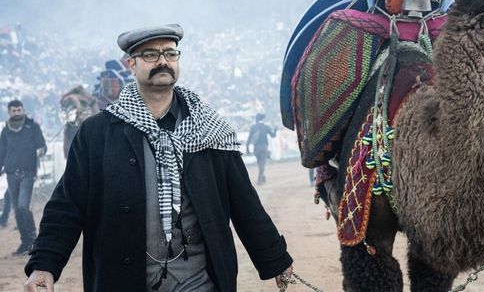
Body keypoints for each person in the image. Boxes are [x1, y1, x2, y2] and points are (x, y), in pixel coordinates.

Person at [24, 24, 293, 292]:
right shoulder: (98, 133)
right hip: (122, 279)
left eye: (170, 53)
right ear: (132, 64)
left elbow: (243, 200)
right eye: (151, 54)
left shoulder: (209, 128)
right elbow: (67, 205)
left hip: (199, 280)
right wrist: (44, 264)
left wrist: (275, 259)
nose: (163, 61)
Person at [0, 99, 47, 254]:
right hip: (11, 173)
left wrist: (42, 149)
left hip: (28, 173)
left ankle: (33, 238)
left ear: (23, 110)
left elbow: (42, 145)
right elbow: (1, 152)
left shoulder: (33, 126)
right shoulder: (6, 130)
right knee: (17, 209)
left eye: (19, 110)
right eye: (13, 111)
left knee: (22, 205)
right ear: (9, 112)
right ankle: (25, 241)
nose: (17, 113)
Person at [246, 113, 277, 185]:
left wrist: (247, 149)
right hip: (264, 148)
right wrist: (275, 130)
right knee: (262, 164)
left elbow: (249, 139)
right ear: (263, 119)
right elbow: (273, 136)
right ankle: (259, 180)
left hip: (256, 148)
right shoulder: (266, 127)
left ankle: (263, 178)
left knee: (260, 163)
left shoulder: (253, 127)